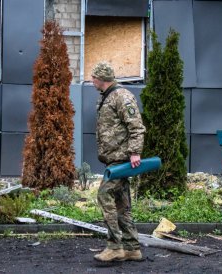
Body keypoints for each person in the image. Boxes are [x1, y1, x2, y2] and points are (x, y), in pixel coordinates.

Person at [91, 61, 146, 262]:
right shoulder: (106, 97)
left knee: (104, 195)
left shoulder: (122, 96)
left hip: (121, 160)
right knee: (122, 205)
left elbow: (136, 127)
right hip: (113, 159)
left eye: (93, 77)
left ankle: (115, 247)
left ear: (100, 78)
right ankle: (132, 247)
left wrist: (134, 153)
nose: (91, 80)